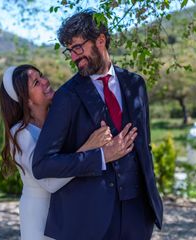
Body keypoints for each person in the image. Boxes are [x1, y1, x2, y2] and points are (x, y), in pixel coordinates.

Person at [32, 9, 163, 240]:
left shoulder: (135, 85)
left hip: (137, 215)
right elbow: (42, 164)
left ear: (100, 40)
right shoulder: (67, 96)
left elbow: (145, 147)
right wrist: (101, 156)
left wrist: (149, 207)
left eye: (77, 48)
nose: (73, 57)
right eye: (69, 51)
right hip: (89, 219)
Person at [0, 64, 116, 240]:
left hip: (66, 208)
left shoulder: (57, 120)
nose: (46, 81)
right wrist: (89, 147)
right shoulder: (21, 134)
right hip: (39, 213)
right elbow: (49, 182)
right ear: (27, 100)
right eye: (36, 82)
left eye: (42, 76)